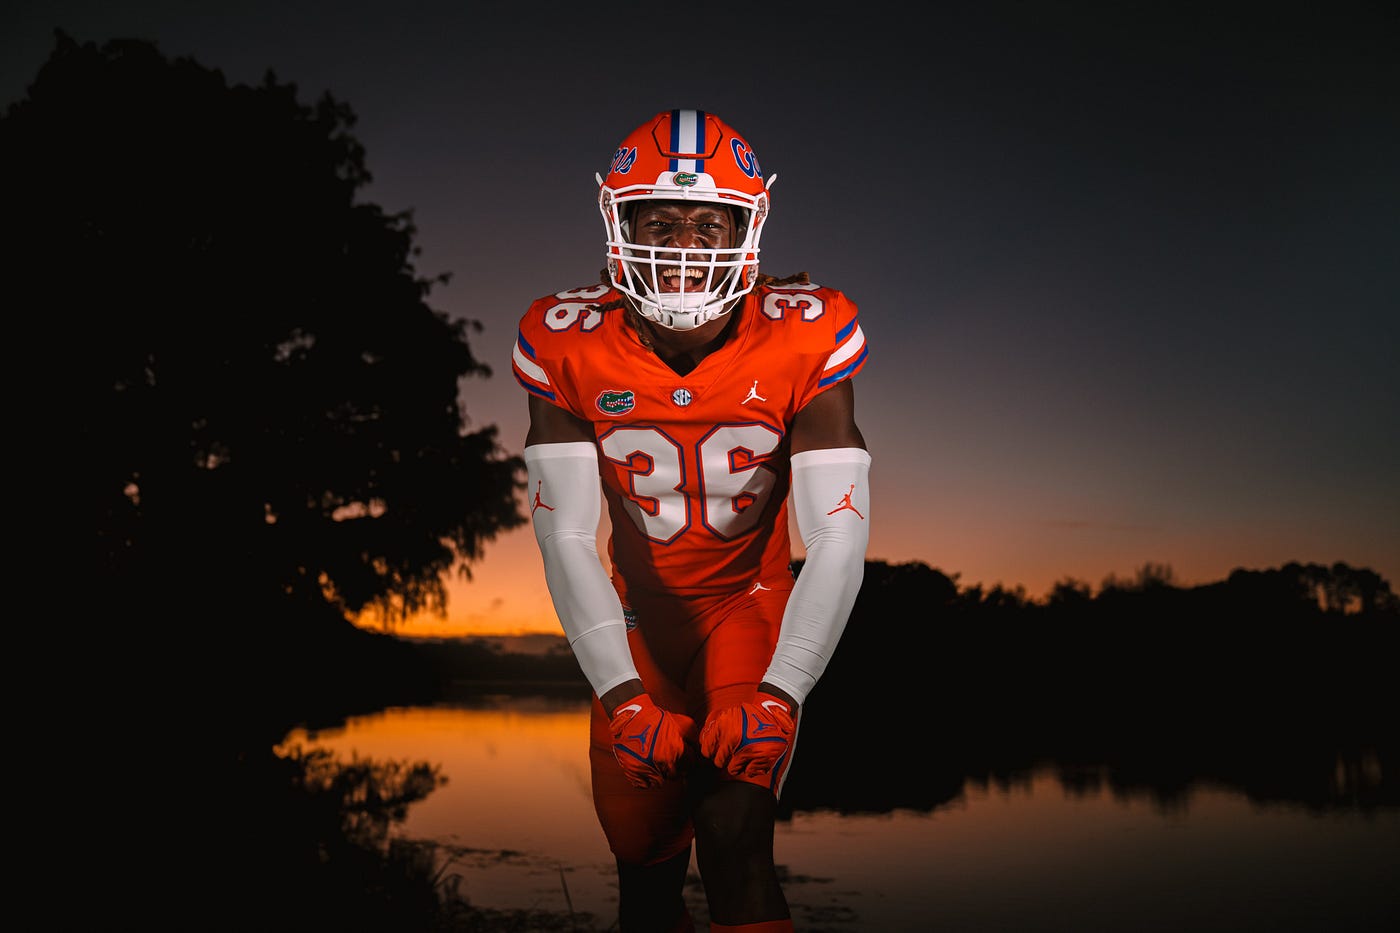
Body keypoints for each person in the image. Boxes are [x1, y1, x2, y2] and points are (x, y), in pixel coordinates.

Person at [512, 108, 871, 933]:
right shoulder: (563, 338)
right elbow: (562, 533)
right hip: (635, 616)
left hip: (750, 606)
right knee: (643, 865)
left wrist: (783, 691)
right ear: (619, 220)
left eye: (709, 222)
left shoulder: (808, 331)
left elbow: (839, 534)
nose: (683, 244)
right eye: (660, 220)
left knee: (735, 835)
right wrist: (622, 691)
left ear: (748, 228)